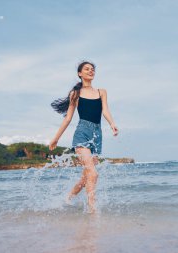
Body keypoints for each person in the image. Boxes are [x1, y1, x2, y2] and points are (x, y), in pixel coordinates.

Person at [49, 61, 119, 214]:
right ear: (80, 73)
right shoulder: (75, 93)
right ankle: (92, 209)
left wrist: (112, 124)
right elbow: (68, 118)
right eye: (87, 69)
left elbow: (105, 110)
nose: (91, 71)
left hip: (97, 135)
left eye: (92, 69)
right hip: (82, 133)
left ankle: (67, 198)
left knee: (86, 177)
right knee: (93, 173)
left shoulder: (102, 92)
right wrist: (56, 138)